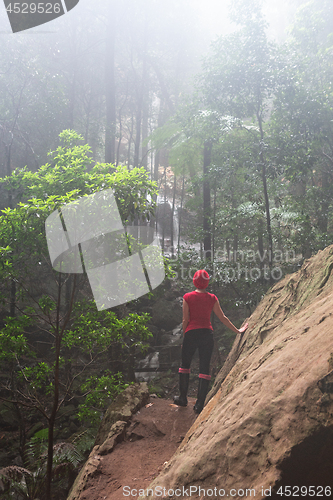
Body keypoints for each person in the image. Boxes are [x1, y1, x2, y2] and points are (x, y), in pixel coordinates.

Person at [174, 269, 248, 414]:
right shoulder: (212, 298)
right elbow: (222, 317)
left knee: (185, 365)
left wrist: (185, 336)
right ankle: (199, 404)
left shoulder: (187, 297)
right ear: (207, 282)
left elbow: (185, 319)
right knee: (204, 367)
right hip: (207, 334)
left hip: (191, 333)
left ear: (194, 281)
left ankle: (183, 399)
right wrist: (238, 331)